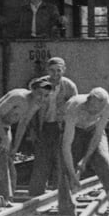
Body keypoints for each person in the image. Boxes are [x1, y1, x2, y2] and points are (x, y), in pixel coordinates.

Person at [0, 77, 52, 201]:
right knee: (0, 158)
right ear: (32, 90)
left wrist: (15, 148)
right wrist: (4, 138)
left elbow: (23, 124)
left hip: (5, 126)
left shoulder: (36, 104)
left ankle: (8, 196)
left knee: (9, 161)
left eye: (46, 95)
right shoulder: (18, 97)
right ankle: (3, 197)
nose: (42, 98)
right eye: (40, 94)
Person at [58, 88, 109, 216]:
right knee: (65, 165)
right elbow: (67, 146)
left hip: (93, 130)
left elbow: (98, 134)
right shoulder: (73, 108)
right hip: (74, 130)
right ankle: (66, 205)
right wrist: (73, 174)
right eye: (92, 108)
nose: (94, 112)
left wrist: (85, 160)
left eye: (98, 110)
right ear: (87, 102)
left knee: (103, 159)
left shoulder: (108, 107)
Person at [28, 57, 78, 196]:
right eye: (52, 70)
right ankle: (36, 193)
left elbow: (75, 108)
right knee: (41, 160)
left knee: (60, 160)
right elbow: (32, 109)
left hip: (60, 127)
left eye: (58, 70)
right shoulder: (41, 84)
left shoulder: (69, 86)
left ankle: (59, 193)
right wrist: (32, 129)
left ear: (64, 70)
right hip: (44, 126)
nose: (55, 74)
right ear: (47, 70)